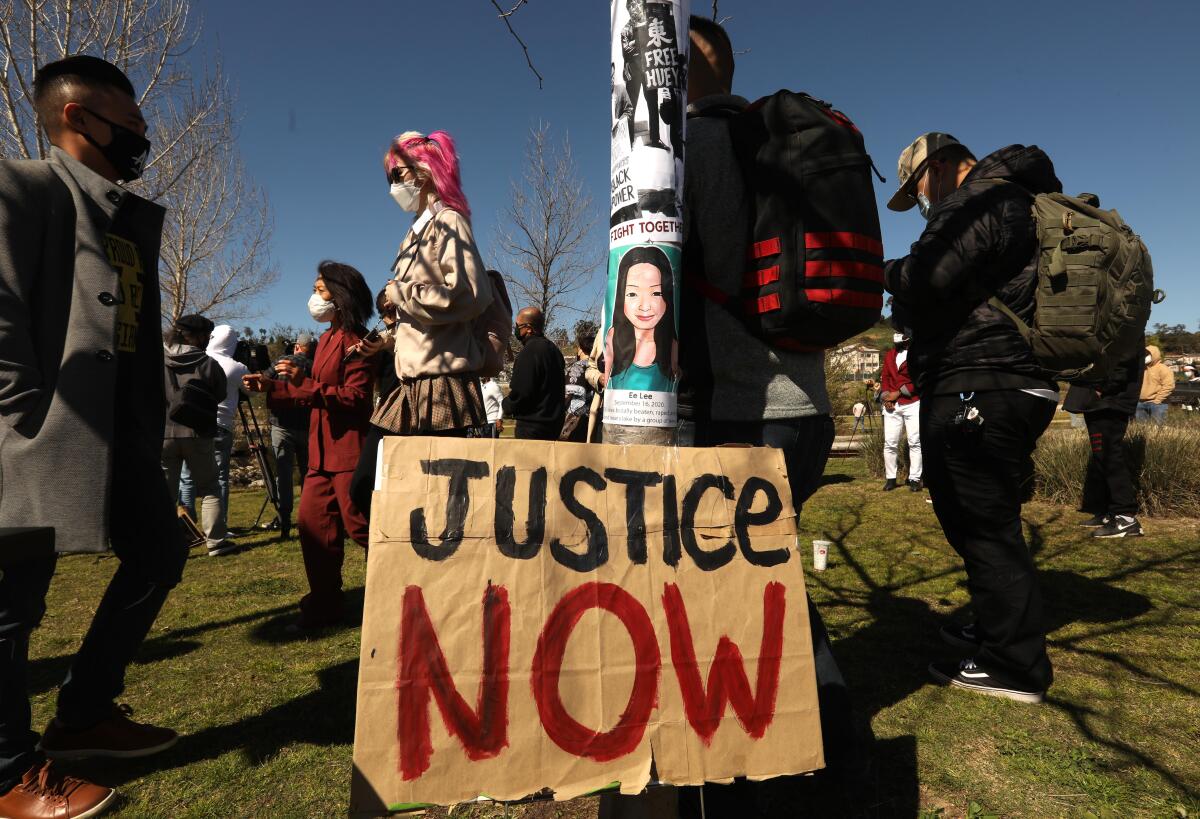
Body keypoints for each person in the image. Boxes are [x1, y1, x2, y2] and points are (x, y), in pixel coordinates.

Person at [667, 18, 863, 816]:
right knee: (768, 573)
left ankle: (790, 751)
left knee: (739, 589)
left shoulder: (699, 148)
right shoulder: (771, 145)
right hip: (804, 405)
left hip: (741, 412)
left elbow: (696, 271)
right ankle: (831, 718)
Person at [0, 55, 188, 817]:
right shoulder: (24, 189)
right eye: (130, 118)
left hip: (123, 435)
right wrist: (20, 420)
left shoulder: (122, 216)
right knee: (12, 601)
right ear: (76, 114)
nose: (142, 130)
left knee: (161, 549)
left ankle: (83, 711)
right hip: (37, 434)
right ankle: (9, 770)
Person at [884, 131, 1063, 704]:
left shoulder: (973, 202)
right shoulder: (1021, 201)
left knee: (981, 521)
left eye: (916, 191)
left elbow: (926, 278)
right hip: (1016, 377)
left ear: (936, 166)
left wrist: (889, 273)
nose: (921, 204)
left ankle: (1014, 663)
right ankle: (996, 624)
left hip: (979, 376)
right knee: (987, 514)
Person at [244, 261, 374, 631]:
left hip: (348, 453)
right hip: (319, 457)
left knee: (362, 528)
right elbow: (311, 390)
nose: (314, 298)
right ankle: (324, 608)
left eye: (321, 290)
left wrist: (306, 384)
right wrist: (272, 386)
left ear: (342, 295)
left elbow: (356, 398)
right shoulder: (327, 339)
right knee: (313, 526)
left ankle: (405, 592)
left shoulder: (357, 343)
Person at [369, 130, 493, 439]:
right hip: (411, 380)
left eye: (397, 174)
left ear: (423, 168)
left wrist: (401, 293)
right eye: (389, 178)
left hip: (443, 381)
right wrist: (387, 341)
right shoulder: (413, 235)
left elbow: (469, 295)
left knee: (438, 485)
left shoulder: (448, 221)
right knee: (374, 481)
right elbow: (421, 320)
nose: (393, 186)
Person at [161, 315, 235, 556]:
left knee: (164, 494)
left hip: (163, 434)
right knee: (210, 486)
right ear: (200, 335)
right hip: (197, 432)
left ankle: (163, 545)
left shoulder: (157, 358)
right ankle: (216, 541)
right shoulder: (207, 362)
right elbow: (220, 394)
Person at [1064, 352, 1144, 538]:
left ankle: (1126, 518)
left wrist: (1100, 388)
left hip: (1109, 401)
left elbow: (1121, 359)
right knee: (1102, 458)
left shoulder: (1127, 327)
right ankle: (1111, 513)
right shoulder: (1116, 326)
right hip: (1102, 401)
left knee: (1109, 457)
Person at [604, 246, 678, 394]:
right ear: (620, 297)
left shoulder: (671, 341)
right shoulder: (613, 335)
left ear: (667, 298)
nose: (644, 306)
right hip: (620, 413)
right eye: (632, 294)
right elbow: (607, 385)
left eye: (656, 293)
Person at [268, 333, 316, 540]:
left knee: (283, 474)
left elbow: (264, 380)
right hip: (307, 427)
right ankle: (310, 520)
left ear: (297, 346)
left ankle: (284, 520)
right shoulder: (314, 366)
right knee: (309, 475)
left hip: (281, 425)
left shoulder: (281, 362)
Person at [204, 325, 248, 539]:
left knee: (188, 477)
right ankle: (218, 527)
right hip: (222, 424)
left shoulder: (199, 358)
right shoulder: (235, 367)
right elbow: (250, 388)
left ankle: (186, 526)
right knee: (219, 477)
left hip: (195, 423)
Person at [503, 307, 566, 440]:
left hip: (532, 427)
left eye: (518, 326)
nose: (516, 330)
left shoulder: (529, 352)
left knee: (528, 461)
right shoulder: (554, 350)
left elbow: (521, 394)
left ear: (529, 328)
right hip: (554, 425)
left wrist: (506, 405)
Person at [880, 332, 923, 492]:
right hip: (892, 405)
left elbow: (918, 379)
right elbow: (885, 378)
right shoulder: (889, 355)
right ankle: (891, 478)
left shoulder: (916, 355)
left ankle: (914, 478)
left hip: (912, 402)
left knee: (915, 442)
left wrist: (897, 393)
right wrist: (886, 397)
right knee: (890, 442)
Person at [562, 329, 600, 442]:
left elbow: (568, 395)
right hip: (596, 419)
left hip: (576, 421)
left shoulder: (577, 367)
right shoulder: (600, 367)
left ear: (580, 350)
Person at [1137, 345, 1173, 423]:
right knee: (1141, 429)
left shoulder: (1163, 369)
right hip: (1140, 403)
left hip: (1158, 404)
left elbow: (1169, 386)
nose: (1145, 356)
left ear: (1154, 355)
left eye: (1147, 355)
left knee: (1158, 429)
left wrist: (1157, 400)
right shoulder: (1141, 369)